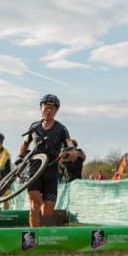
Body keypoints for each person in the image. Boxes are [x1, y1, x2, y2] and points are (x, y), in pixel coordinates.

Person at [18, 94, 77, 227]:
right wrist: (19, 156)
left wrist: (66, 154)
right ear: (41, 108)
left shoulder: (61, 129)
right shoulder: (34, 126)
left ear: (56, 111)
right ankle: (33, 238)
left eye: (52, 108)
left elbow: (72, 152)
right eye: (46, 107)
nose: (49, 110)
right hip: (34, 170)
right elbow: (25, 143)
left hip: (51, 172)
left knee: (47, 213)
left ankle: (44, 204)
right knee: (34, 206)